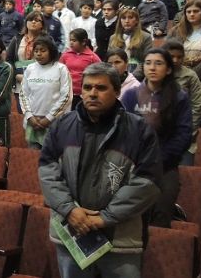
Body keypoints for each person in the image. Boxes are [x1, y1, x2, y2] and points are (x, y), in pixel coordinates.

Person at [39, 63, 162, 278]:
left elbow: (148, 182)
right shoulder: (61, 126)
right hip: (73, 232)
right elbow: (48, 170)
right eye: (87, 88)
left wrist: (105, 218)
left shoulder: (139, 131)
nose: (92, 94)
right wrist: (70, 210)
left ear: (116, 91)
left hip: (120, 239)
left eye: (101, 88)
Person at [121, 49, 192, 227]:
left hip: (165, 167)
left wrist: (158, 160)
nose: (152, 67)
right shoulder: (131, 95)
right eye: (148, 63)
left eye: (158, 63)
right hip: (134, 167)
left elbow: (183, 135)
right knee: (133, 219)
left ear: (168, 69)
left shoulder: (179, 97)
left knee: (160, 218)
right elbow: (123, 129)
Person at [20, 36, 73, 149]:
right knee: (33, 159)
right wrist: (30, 116)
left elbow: (66, 96)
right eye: (36, 51)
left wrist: (48, 118)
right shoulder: (30, 68)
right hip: (32, 123)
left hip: (53, 123)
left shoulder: (61, 69)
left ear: (51, 51)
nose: (39, 53)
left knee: (51, 160)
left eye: (43, 50)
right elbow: (23, 94)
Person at [163, 40, 201, 165]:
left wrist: (188, 133)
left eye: (179, 57)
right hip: (160, 138)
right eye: (172, 56)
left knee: (184, 175)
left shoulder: (190, 76)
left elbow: (197, 106)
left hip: (185, 135)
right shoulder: (157, 74)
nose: (175, 60)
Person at [108, 6, 152, 81]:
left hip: (138, 78)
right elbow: (109, 61)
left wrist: (132, 78)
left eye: (130, 17)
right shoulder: (113, 38)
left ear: (137, 20)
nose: (127, 21)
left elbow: (146, 61)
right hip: (116, 77)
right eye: (124, 18)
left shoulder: (146, 37)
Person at [60, 29, 101, 109]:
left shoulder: (92, 57)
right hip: (67, 93)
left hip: (83, 95)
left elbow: (100, 74)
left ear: (83, 42)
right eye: (70, 40)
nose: (71, 43)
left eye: (74, 40)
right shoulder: (65, 55)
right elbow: (59, 71)